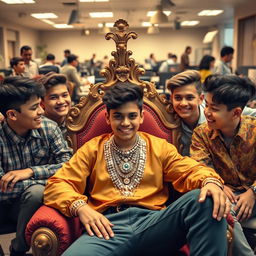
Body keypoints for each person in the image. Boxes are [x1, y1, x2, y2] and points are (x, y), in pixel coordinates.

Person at [44, 81, 230, 256]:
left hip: (155, 225)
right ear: (107, 117)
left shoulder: (159, 146)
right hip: (107, 228)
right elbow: (57, 184)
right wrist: (81, 208)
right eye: (118, 116)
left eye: (132, 116)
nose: (125, 123)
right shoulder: (92, 149)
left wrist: (210, 181)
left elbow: (190, 170)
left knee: (206, 198)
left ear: (141, 117)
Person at [0, 76, 72, 256]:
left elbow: (68, 166)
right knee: (37, 189)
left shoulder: (49, 127)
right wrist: (45, 181)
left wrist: (30, 172)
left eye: (40, 104)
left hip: (29, 203)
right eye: (34, 108)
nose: (41, 111)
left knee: (36, 193)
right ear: (12, 115)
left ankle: (18, 249)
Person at [190, 74, 256, 256]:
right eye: (207, 105)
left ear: (236, 112)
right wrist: (219, 184)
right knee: (215, 203)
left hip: (253, 192)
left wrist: (252, 193)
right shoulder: (201, 134)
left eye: (215, 108)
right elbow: (200, 167)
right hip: (227, 195)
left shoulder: (254, 129)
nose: (207, 112)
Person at [166, 70, 256, 156]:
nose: (183, 104)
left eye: (189, 98)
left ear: (200, 99)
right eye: (178, 98)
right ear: (171, 99)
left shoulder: (224, 106)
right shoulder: (168, 122)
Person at [38, 72, 72, 139]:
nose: (61, 101)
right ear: (42, 102)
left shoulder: (78, 121)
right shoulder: (38, 127)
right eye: (53, 97)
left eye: (65, 95)